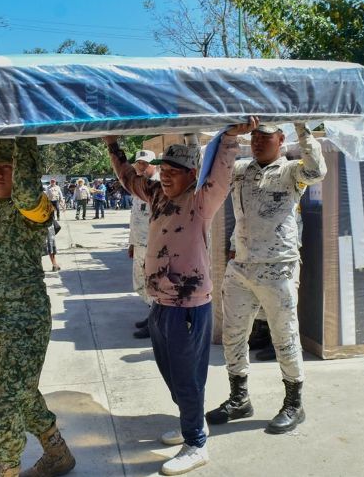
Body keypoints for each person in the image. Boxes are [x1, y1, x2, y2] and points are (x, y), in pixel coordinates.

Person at [103, 118, 256, 476]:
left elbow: (220, 173)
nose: (166, 175)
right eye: (164, 169)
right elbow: (128, 177)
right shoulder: (156, 194)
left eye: (175, 170)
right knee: (171, 372)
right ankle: (193, 423)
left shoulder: (202, 201)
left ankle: (196, 444)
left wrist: (231, 138)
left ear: (192, 174)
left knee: (188, 377)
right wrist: (112, 142)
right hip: (160, 303)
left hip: (189, 307)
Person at [0, 138, 75, 477]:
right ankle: (57, 452)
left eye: (5, 167)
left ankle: (6, 470)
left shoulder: (36, 207)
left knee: (4, 403)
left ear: (21, 169)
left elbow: (23, 192)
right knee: (19, 393)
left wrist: (24, 133)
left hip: (22, 323)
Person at [206, 123, 326, 434]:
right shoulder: (242, 169)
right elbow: (211, 170)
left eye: (266, 137)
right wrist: (228, 136)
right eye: (255, 136)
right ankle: (239, 398)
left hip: (278, 267)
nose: (258, 142)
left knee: (284, 337)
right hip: (242, 266)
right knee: (233, 335)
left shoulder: (289, 171)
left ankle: (293, 403)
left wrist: (303, 127)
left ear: (281, 139)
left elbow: (316, 171)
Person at [127, 149, 160, 340]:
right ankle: (151, 316)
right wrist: (131, 243)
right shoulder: (138, 186)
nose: (141, 166)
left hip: (152, 245)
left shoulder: (157, 184)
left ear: (153, 164)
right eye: (139, 163)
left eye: (145, 163)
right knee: (140, 284)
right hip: (139, 243)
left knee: (152, 285)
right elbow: (135, 218)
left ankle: (154, 323)